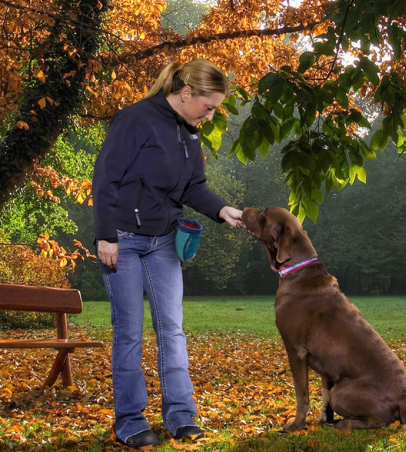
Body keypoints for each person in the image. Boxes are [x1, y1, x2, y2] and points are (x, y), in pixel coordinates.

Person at [92, 59, 243, 449]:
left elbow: (193, 187)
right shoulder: (135, 120)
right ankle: (129, 422)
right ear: (186, 93)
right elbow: (105, 178)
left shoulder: (189, 134)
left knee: (172, 331)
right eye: (208, 107)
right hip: (122, 241)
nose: (210, 116)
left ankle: (180, 416)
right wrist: (105, 236)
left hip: (163, 242)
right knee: (128, 333)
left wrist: (221, 209)